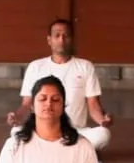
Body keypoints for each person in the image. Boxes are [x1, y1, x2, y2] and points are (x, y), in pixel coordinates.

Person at [6, 17, 112, 151]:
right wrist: (17, 117)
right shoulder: (36, 67)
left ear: (72, 39)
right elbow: (27, 104)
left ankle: (51, 149)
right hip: (41, 132)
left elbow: (93, 104)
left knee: (103, 134)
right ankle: (69, 150)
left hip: (74, 132)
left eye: (65, 35)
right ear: (49, 40)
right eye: (57, 35)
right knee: (16, 132)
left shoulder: (85, 66)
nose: (61, 39)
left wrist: (103, 120)